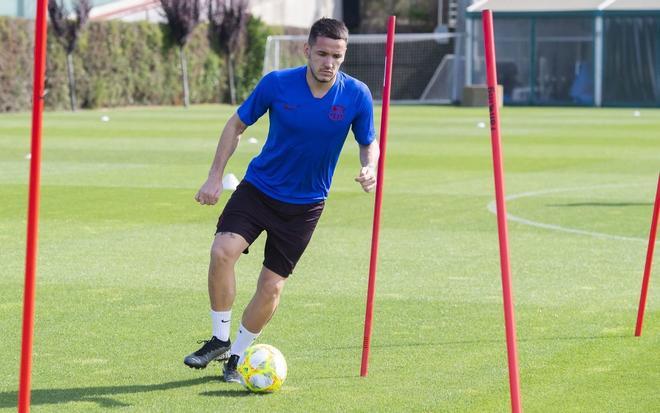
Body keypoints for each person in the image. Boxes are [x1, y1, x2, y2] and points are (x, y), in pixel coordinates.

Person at [183, 17, 379, 383]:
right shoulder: (277, 84)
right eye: (322, 53)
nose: (329, 62)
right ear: (307, 50)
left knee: (272, 286)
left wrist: (371, 167)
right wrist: (214, 177)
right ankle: (219, 339)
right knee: (221, 251)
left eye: (337, 55)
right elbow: (236, 125)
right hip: (258, 189)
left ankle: (238, 356)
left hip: (305, 206)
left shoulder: (357, 95)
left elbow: (369, 141)